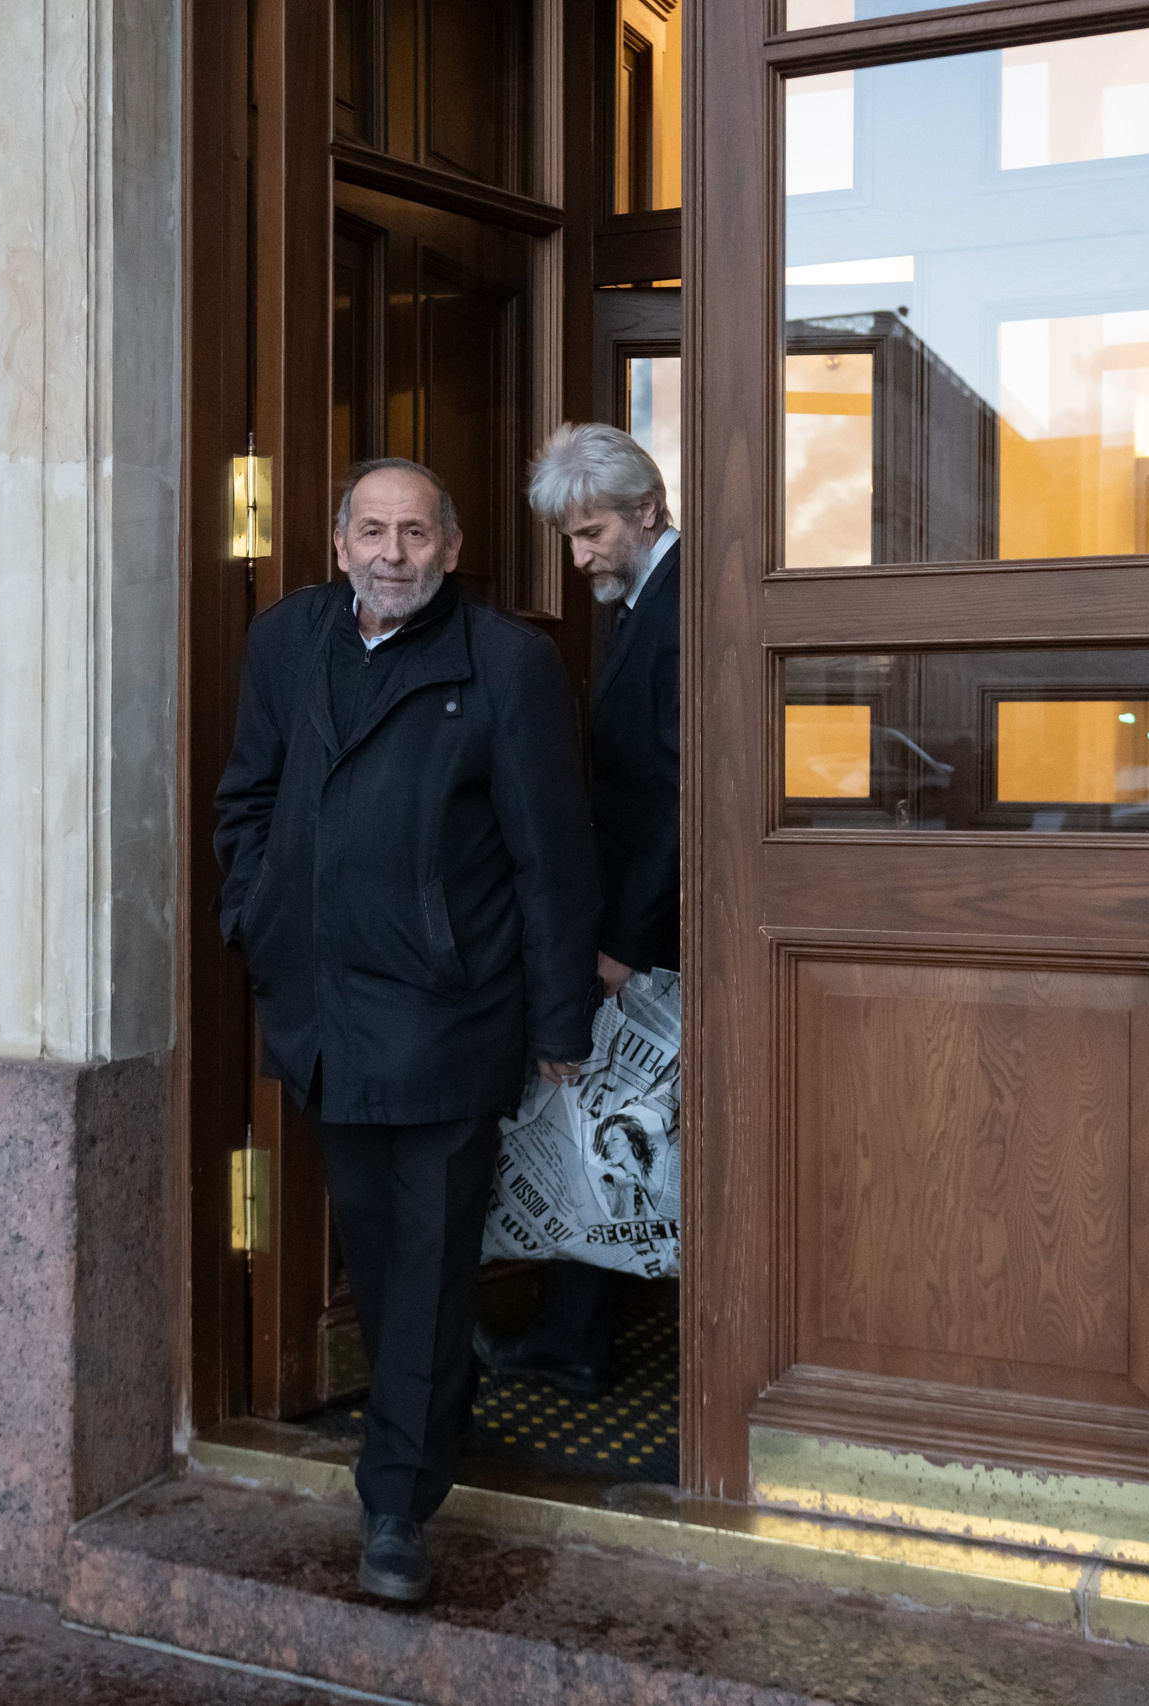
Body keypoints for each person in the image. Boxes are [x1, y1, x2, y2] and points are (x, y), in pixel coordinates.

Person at [213, 458, 597, 1604]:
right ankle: (406, 1448)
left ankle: (395, 1503)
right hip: (325, 1012)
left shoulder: (508, 663)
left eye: (415, 534)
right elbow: (245, 796)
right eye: (371, 532)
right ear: (336, 544)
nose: (392, 554)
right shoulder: (286, 642)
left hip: (446, 1016)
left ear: (452, 542)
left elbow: (551, 853)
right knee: (382, 1263)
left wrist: (560, 1016)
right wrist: (258, 914)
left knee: (429, 1272)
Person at [475, 422, 682, 1398]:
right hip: (632, 916)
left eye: (591, 530)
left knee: (615, 1122)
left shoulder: (681, 605)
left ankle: (576, 1336)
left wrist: (619, 943)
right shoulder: (643, 599)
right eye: (568, 536)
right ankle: (573, 1332)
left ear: (647, 510)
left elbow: (680, 799)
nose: (579, 555)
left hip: (651, 930)